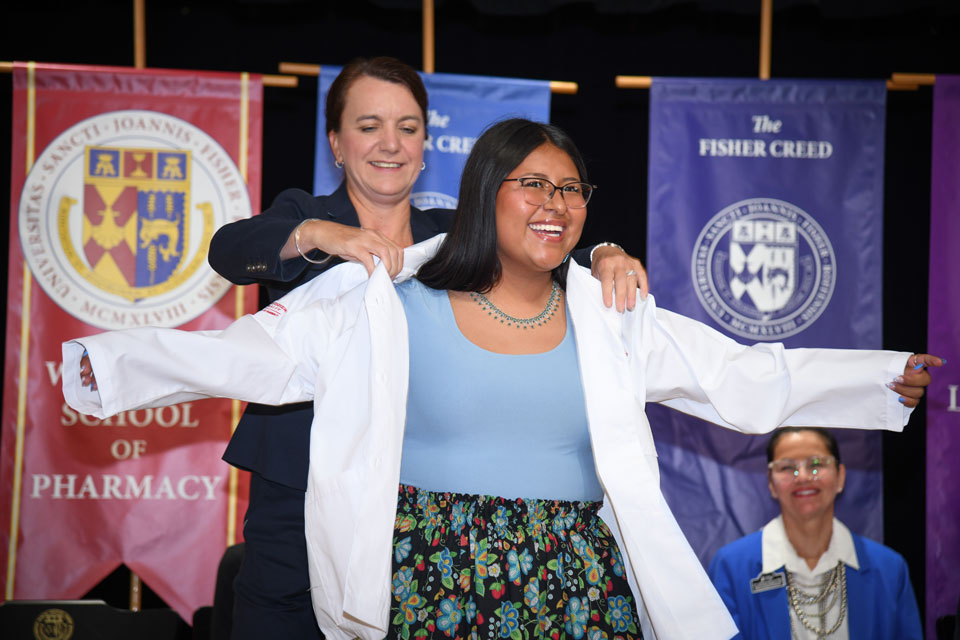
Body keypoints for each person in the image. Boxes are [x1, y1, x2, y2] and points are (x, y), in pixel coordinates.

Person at [63, 118, 941, 640]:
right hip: (434, 574)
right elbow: (249, 353)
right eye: (533, 185)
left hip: (578, 580)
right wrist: (109, 365)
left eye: (572, 189)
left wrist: (878, 379)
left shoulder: (610, 313)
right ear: (487, 192)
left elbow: (740, 377)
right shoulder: (388, 301)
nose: (556, 204)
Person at [206, 57, 647, 638]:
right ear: (336, 143)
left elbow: (536, 245)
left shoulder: (451, 232)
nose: (390, 143)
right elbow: (230, 249)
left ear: (424, 145)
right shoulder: (306, 218)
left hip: (413, 500)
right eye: (369, 126)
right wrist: (318, 234)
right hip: (301, 478)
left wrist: (606, 252)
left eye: (408, 127)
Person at [707, 427, 924, 639]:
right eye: (787, 467)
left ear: (840, 476)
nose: (802, 477)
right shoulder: (731, 567)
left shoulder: (889, 569)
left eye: (816, 464)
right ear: (771, 483)